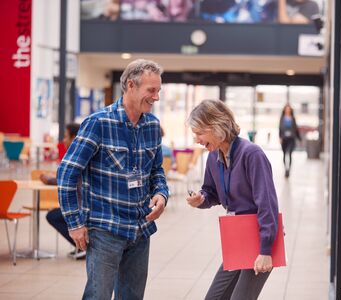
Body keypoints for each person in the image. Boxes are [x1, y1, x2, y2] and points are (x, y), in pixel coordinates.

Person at [57, 59, 169, 299]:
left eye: (158, 90)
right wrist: (74, 223)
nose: (156, 97)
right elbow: (67, 172)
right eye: (151, 90)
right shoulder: (98, 123)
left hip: (140, 229)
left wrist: (161, 194)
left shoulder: (152, 126)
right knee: (98, 295)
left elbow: (157, 170)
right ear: (131, 85)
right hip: (105, 228)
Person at [186, 99, 279, 300]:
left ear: (216, 126)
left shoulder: (252, 154)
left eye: (199, 133)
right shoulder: (213, 157)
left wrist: (265, 249)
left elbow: (267, 203)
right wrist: (201, 199)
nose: (197, 140)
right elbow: (211, 193)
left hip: (258, 236)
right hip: (237, 237)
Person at [41, 123, 84, 259]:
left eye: (66, 136)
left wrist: (47, 179)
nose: (64, 140)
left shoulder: (77, 156)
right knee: (54, 214)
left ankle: (82, 245)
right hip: (82, 205)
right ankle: (81, 245)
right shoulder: (78, 154)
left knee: (52, 216)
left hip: (81, 207)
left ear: (74, 137)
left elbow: (66, 179)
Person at [279, 103, 301, 178]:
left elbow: (296, 129)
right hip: (284, 138)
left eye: (289, 109)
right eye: (286, 109)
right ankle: (286, 169)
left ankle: (289, 170)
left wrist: (299, 138)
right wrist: (280, 138)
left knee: (290, 153)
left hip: (291, 138)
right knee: (285, 154)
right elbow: (280, 129)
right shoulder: (282, 118)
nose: (287, 110)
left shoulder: (293, 118)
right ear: (284, 110)